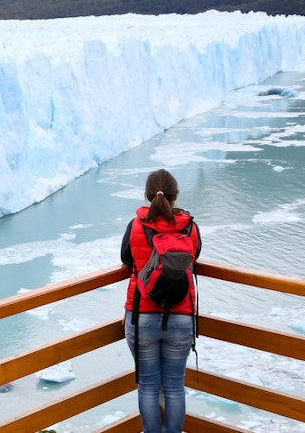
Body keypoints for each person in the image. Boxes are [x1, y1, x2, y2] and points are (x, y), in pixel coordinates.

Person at [121, 169, 201, 433]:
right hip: (181, 314)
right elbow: (195, 255)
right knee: (175, 385)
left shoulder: (135, 225)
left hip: (141, 314)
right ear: (175, 195)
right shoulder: (189, 226)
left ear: (147, 195)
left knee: (148, 385)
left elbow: (126, 259)